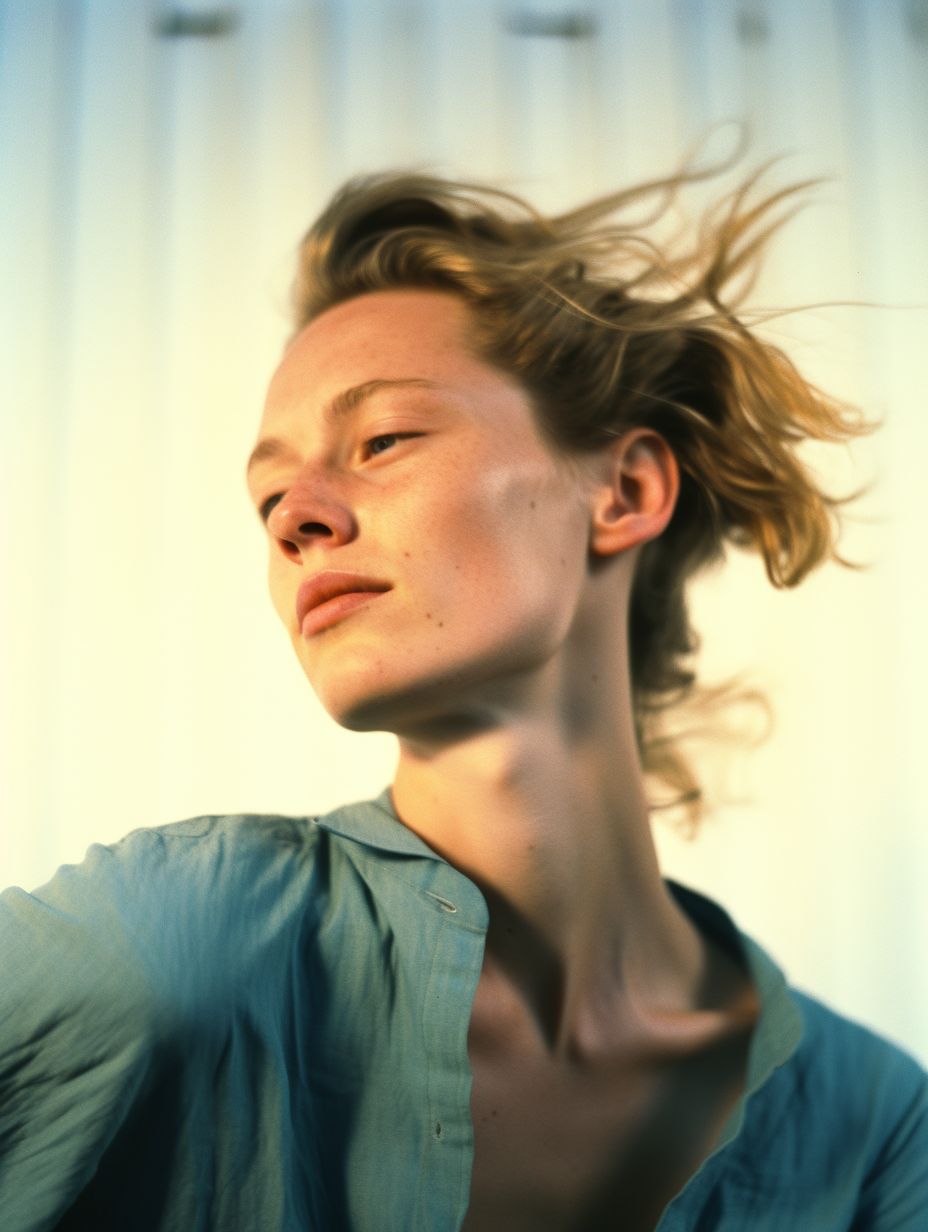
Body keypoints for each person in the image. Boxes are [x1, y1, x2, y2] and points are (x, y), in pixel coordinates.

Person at [2, 157, 926, 1232]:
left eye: (383, 438)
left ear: (623, 489)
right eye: (267, 490)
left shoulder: (874, 1129)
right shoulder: (176, 950)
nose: (293, 513)